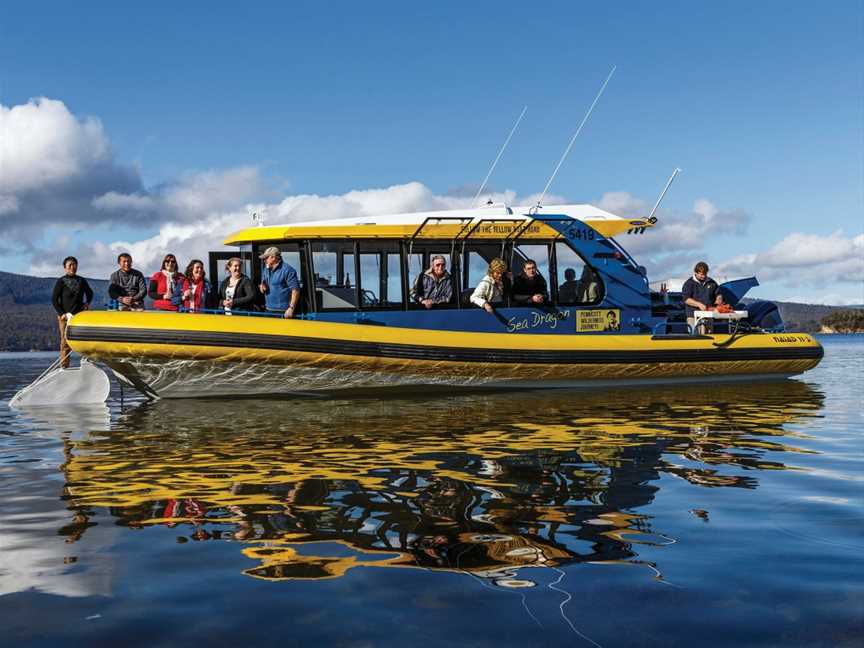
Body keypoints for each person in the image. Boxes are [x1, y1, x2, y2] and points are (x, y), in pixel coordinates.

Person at [51, 256, 94, 368]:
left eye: (74, 264)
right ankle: (64, 367)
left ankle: (86, 365)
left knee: (83, 341)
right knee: (65, 343)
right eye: (69, 265)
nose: (72, 267)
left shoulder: (81, 280)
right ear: (65, 268)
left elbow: (90, 293)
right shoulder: (61, 281)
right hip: (65, 317)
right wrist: (62, 314)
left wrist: (87, 303)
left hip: (79, 316)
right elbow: (54, 299)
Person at [258, 246, 300, 318]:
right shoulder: (265, 269)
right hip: (268, 310)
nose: (264, 260)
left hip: (283, 312)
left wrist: (291, 308)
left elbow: (295, 290)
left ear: (273, 257)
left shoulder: (288, 270)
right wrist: (262, 288)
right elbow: (262, 289)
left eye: (266, 258)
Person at [682, 261, 721, 333]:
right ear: (695, 272)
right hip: (693, 315)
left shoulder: (712, 282)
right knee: (695, 336)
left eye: (705, 274)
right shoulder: (688, 283)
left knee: (710, 335)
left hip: (708, 315)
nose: (703, 276)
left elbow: (718, 294)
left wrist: (719, 299)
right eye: (701, 274)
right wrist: (699, 304)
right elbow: (686, 299)